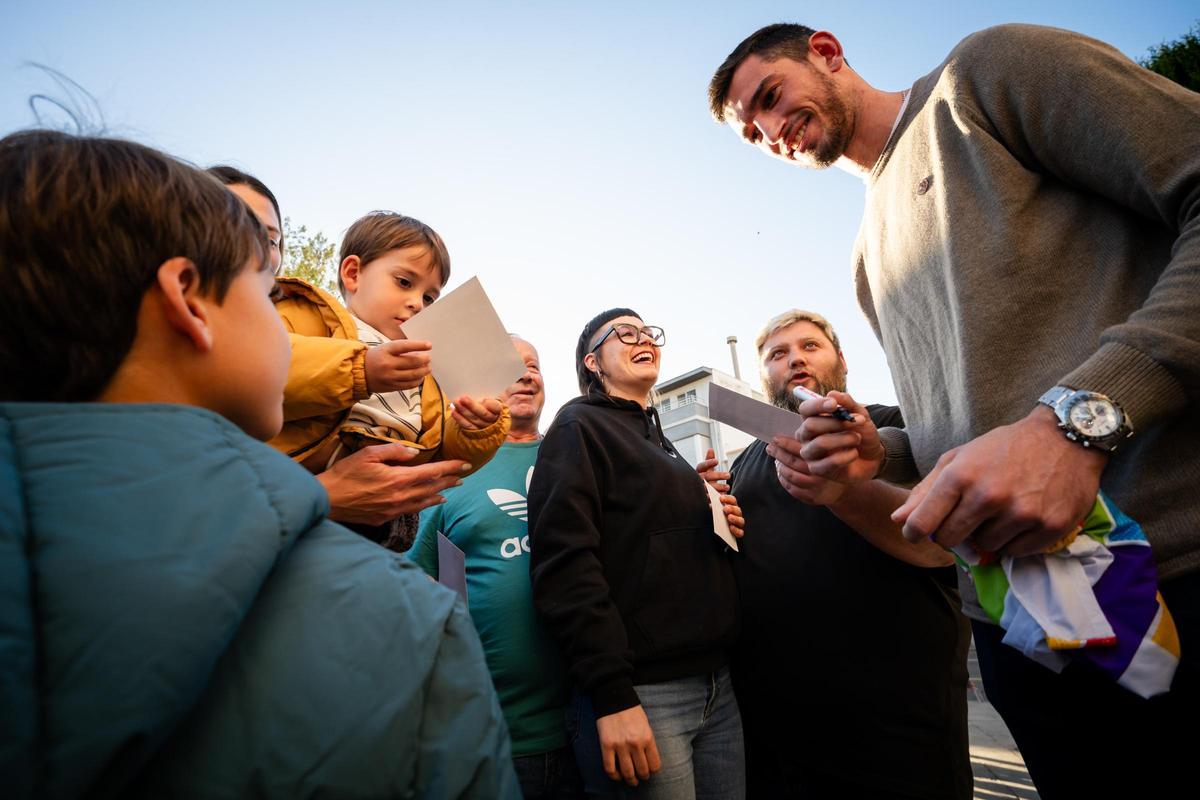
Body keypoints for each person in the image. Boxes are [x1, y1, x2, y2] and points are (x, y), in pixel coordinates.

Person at [708, 22, 1200, 799]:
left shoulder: (984, 77)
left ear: (827, 52)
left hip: (1170, 565)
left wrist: (1077, 421)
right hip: (1021, 625)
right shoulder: (865, 257)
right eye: (752, 133)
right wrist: (881, 453)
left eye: (769, 96)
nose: (771, 131)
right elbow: (960, 425)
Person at [0, 130, 519, 799]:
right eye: (259, 282)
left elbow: (447, 444)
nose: (278, 309)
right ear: (188, 298)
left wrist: (478, 426)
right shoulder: (412, 632)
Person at [699, 309, 970, 799]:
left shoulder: (894, 432)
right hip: (775, 740)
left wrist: (841, 491)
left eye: (810, 346)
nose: (795, 360)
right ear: (763, 377)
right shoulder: (746, 464)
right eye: (778, 354)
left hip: (895, 735)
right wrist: (708, 509)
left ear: (842, 361)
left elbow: (942, 548)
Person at [528, 309, 746, 799]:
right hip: (646, 696)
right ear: (592, 362)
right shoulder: (578, 425)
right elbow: (565, 564)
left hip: (718, 686)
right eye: (625, 333)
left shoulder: (663, 443)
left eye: (648, 333)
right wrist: (612, 695)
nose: (643, 339)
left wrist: (713, 512)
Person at [208, 166, 471, 531]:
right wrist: (361, 369)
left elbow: (439, 447)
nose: (417, 303)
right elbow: (268, 371)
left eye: (271, 240)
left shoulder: (424, 369)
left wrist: (476, 430)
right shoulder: (308, 319)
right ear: (352, 273)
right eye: (403, 282)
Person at [410, 336, 584, 800]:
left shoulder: (581, 457)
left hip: (597, 723)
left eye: (534, 365)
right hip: (495, 737)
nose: (526, 375)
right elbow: (413, 580)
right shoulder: (450, 470)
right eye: (511, 366)